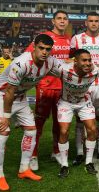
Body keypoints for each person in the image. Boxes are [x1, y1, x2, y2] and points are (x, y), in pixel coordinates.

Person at [0, 34, 59, 191]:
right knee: (3, 133)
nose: (44, 52)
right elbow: (9, 91)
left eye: (48, 49)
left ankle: (24, 169)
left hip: (20, 98)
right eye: (41, 48)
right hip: (0, 96)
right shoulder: (21, 63)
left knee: (31, 131)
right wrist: (7, 117)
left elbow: (67, 70)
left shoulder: (50, 62)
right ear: (34, 46)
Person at [28, 10, 71, 171]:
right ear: (53, 21)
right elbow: (30, 56)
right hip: (45, 87)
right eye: (59, 18)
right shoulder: (43, 38)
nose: (62, 21)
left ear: (67, 22)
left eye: (65, 19)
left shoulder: (69, 40)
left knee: (59, 124)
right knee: (38, 124)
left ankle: (56, 151)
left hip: (63, 88)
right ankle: (33, 155)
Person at [53, 49, 99, 177]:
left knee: (93, 129)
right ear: (75, 61)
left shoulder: (96, 71)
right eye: (84, 60)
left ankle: (88, 162)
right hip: (66, 103)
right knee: (64, 131)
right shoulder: (64, 70)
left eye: (89, 60)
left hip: (84, 102)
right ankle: (64, 164)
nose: (88, 63)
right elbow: (47, 67)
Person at [69, 12, 99, 165]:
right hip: (82, 83)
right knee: (80, 119)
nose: (94, 23)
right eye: (91, 21)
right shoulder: (76, 39)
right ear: (85, 23)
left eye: (96, 21)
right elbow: (71, 59)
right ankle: (80, 153)